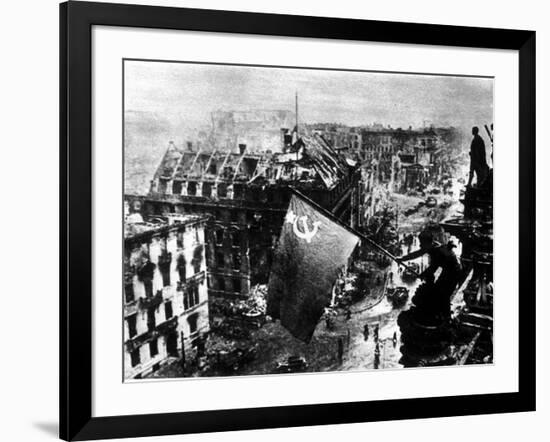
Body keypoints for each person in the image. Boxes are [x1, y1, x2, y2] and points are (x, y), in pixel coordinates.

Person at [397, 228, 462, 321]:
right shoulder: (431, 246)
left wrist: (422, 275)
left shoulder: (437, 251)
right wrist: (402, 259)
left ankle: (446, 317)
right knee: (437, 289)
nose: (420, 245)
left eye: (422, 243)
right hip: (447, 269)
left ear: (428, 242)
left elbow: (433, 268)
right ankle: (439, 311)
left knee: (444, 293)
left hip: (454, 271)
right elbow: (417, 254)